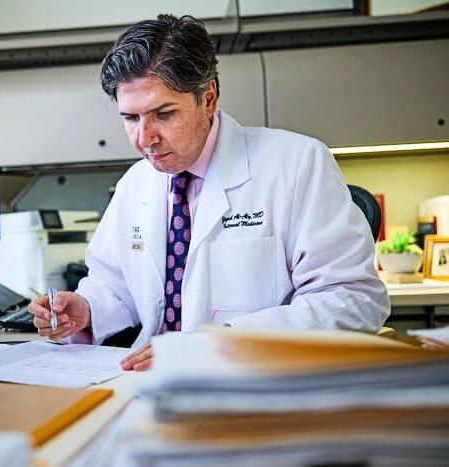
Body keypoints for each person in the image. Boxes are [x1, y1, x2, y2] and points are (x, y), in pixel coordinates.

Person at [28, 14, 390, 371]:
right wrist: (86, 310)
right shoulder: (135, 184)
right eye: (131, 118)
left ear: (209, 98)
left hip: (255, 381)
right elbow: (116, 287)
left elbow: (354, 300)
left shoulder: (296, 163)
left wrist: (222, 343)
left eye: (164, 113)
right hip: (145, 382)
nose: (144, 139)